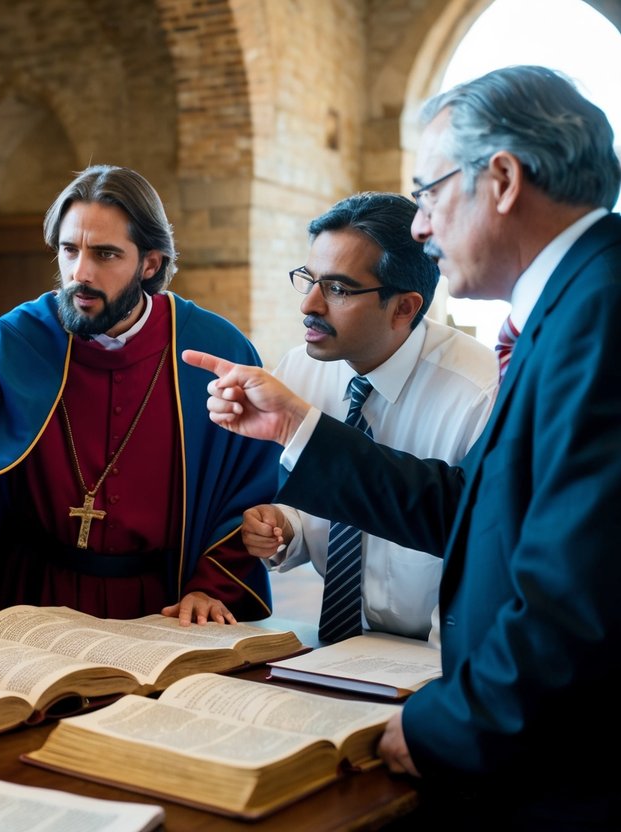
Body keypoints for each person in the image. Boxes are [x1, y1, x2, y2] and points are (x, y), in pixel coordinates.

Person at [185, 66, 620, 827]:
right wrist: (295, 429)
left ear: (503, 179)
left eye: (427, 192)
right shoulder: (574, 303)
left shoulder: (602, 315)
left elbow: (579, 600)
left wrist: (443, 726)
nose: (420, 225)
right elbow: (469, 509)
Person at [0, 164, 281, 627]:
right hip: (28, 601)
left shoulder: (214, 351)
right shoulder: (20, 339)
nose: (80, 272)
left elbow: (247, 483)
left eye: (105, 254)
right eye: (69, 250)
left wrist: (211, 586)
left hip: (162, 607)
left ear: (150, 263)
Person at [243, 192, 496, 644]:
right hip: (334, 648)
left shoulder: (479, 394)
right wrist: (287, 527)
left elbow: (479, 551)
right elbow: (324, 505)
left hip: (437, 655)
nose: (309, 306)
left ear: (404, 308)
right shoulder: (299, 369)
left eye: (338, 289)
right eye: (310, 279)